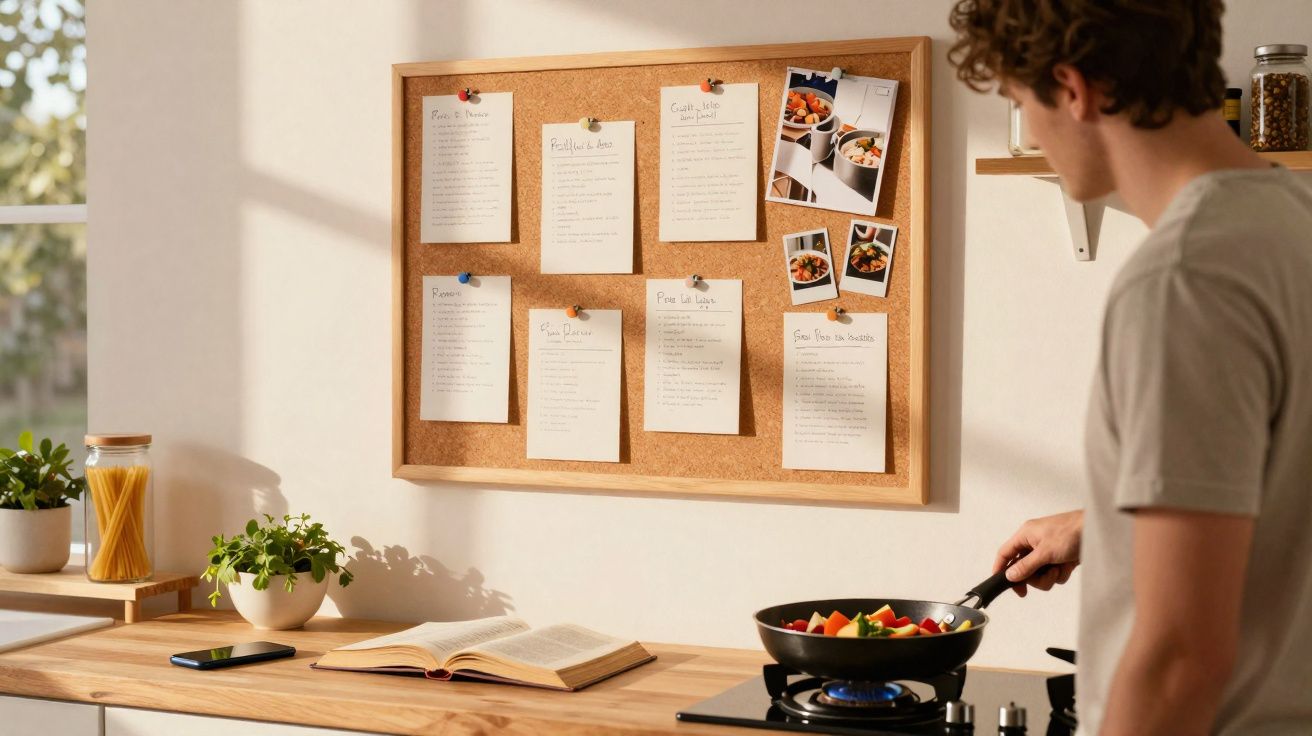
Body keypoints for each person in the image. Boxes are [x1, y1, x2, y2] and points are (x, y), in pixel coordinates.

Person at [948, 1, 1312, 735]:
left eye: (1020, 104)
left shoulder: (1183, 277)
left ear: (1074, 89)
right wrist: (1109, 521)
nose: (1033, 133)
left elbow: (1182, 657)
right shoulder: (1293, 222)